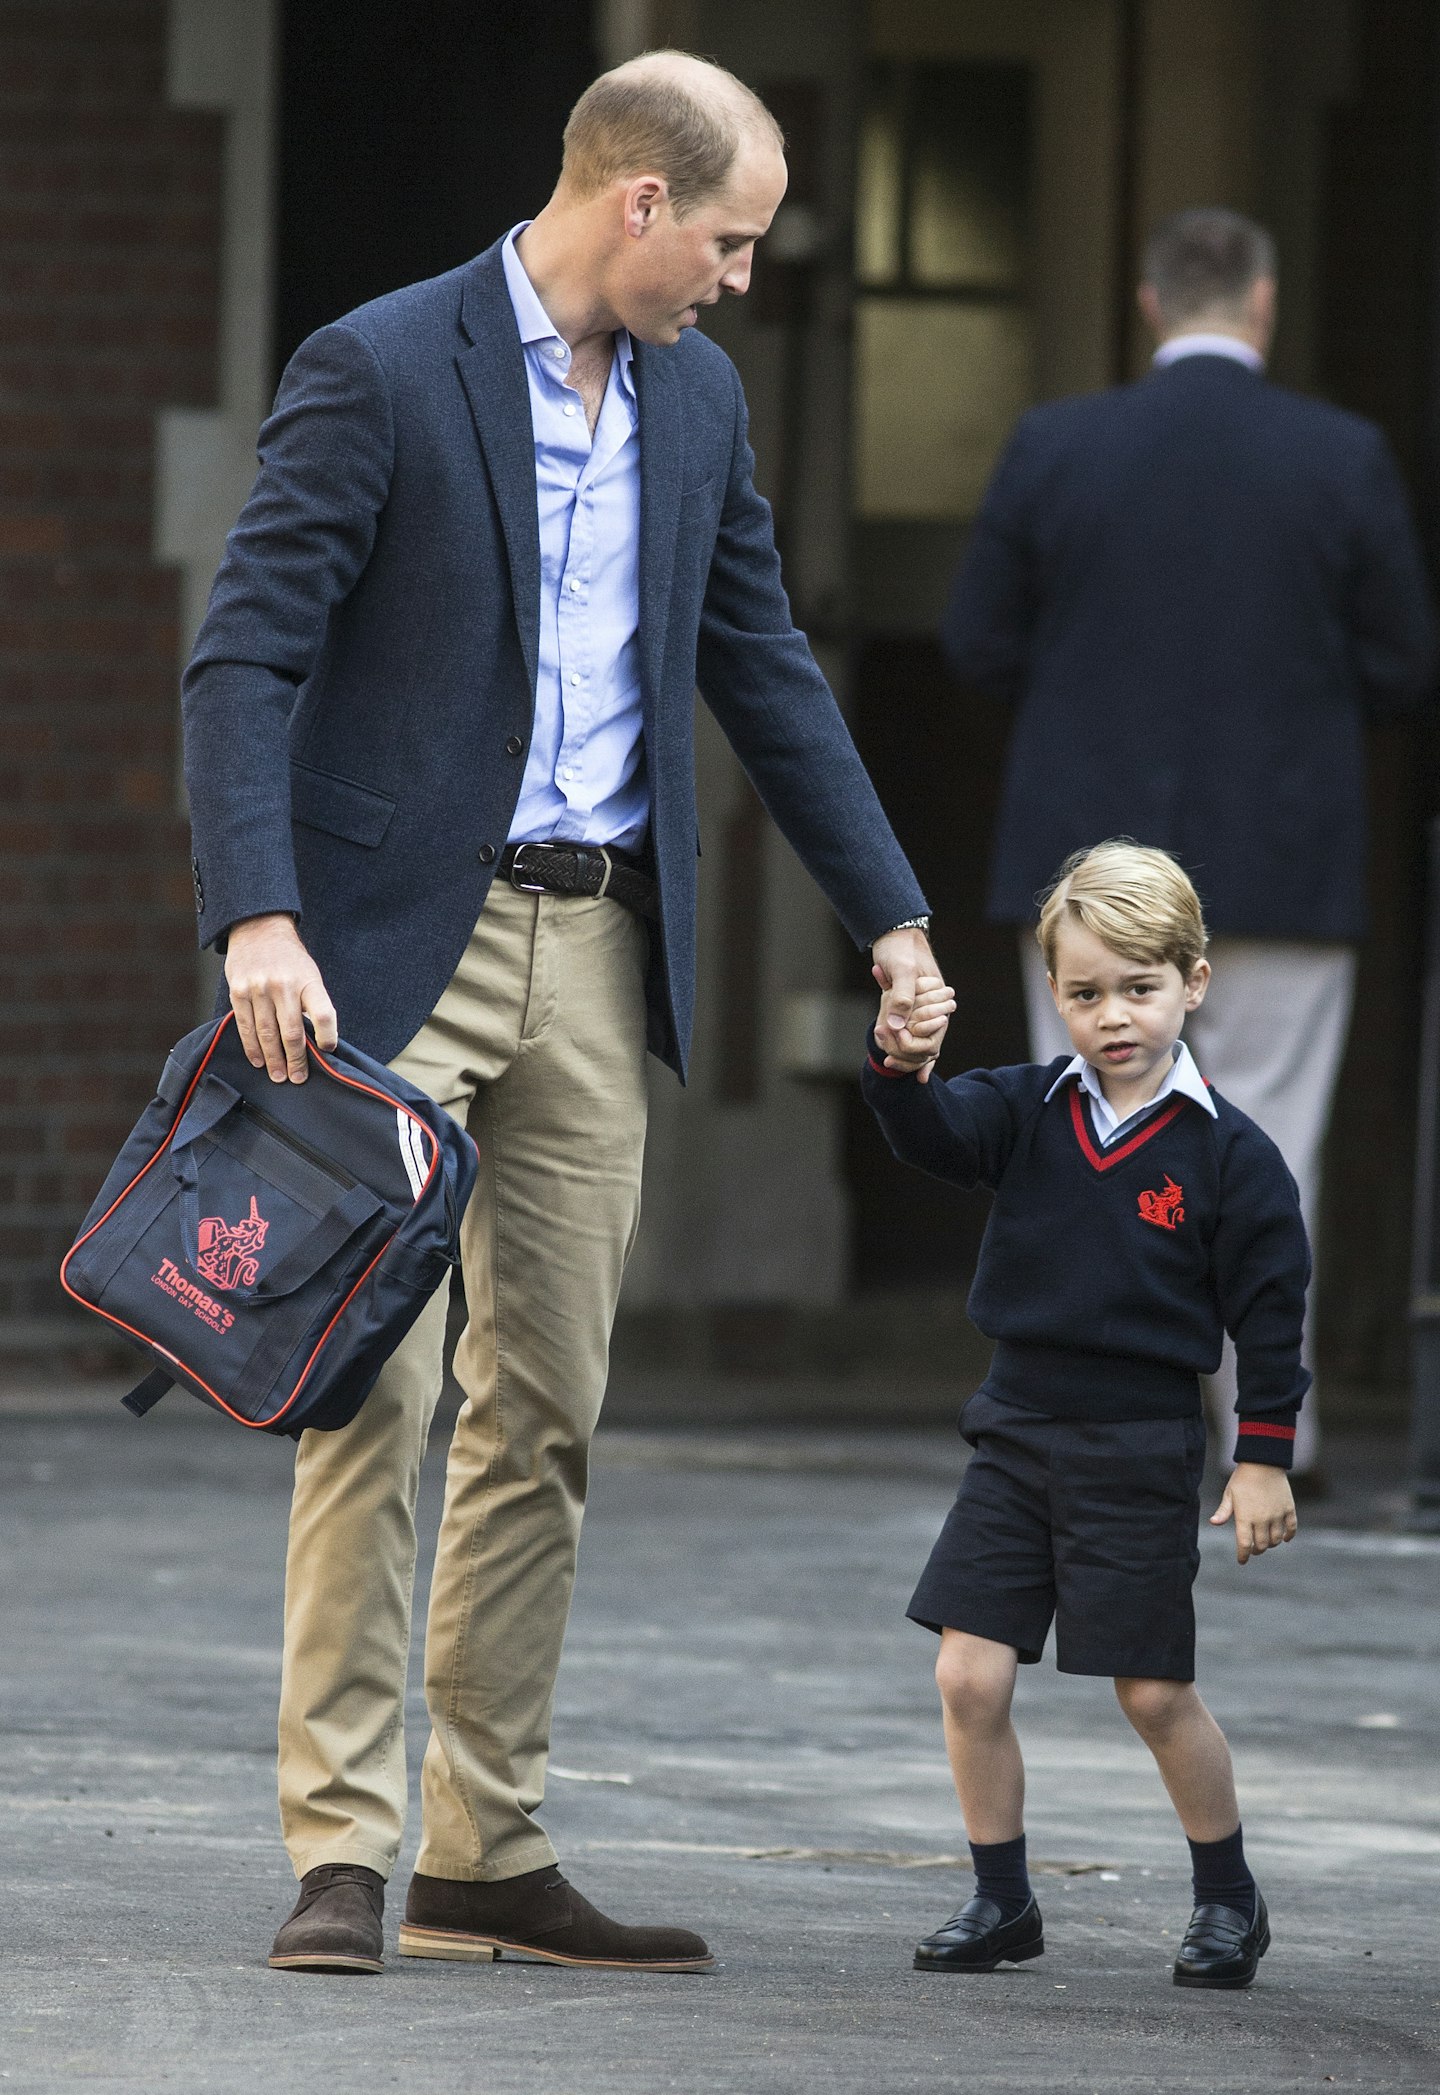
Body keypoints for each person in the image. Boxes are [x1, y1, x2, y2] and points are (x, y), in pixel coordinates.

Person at [182, 50, 937, 1976]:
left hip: (599, 952)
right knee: (377, 1386)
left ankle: (482, 1844)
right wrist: (258, 917)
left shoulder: (697, 399)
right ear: (639, 205)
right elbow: (247, 652)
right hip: (384, 953)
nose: (748, 281)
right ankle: (343, 1847)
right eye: (739, 243)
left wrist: (897, 920)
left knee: (551, 1413)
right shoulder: (378, 365)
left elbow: (763, 667)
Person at [942, 207, 1437, 1490]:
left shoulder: (1057, 445)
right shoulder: (1341, 455)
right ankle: (1274, 1441)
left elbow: (978, 644)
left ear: (1152, 306)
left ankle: (1091, 1427)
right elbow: (1404, 664)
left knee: (1086, 1146)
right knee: (1268, 1149)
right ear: (1263, 305)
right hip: (1280, 859)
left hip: (1091, 887)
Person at [863, 841, 1306, 1988]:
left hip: (1142, 1444)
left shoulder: (1233, 1159)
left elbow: (1269, 1315)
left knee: (1152, 1690)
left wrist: (1262, 1457)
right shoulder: (1024, 1106)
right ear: (1053, 988)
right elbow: (929, 1136)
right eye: (1085, 992)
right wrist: (899, 1064)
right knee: (968, 1674)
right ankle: (1002, 1898)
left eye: (1140, 988)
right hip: (1015, 1430)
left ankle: (1228, 1899)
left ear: (1194, 982)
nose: (1113, 1016)